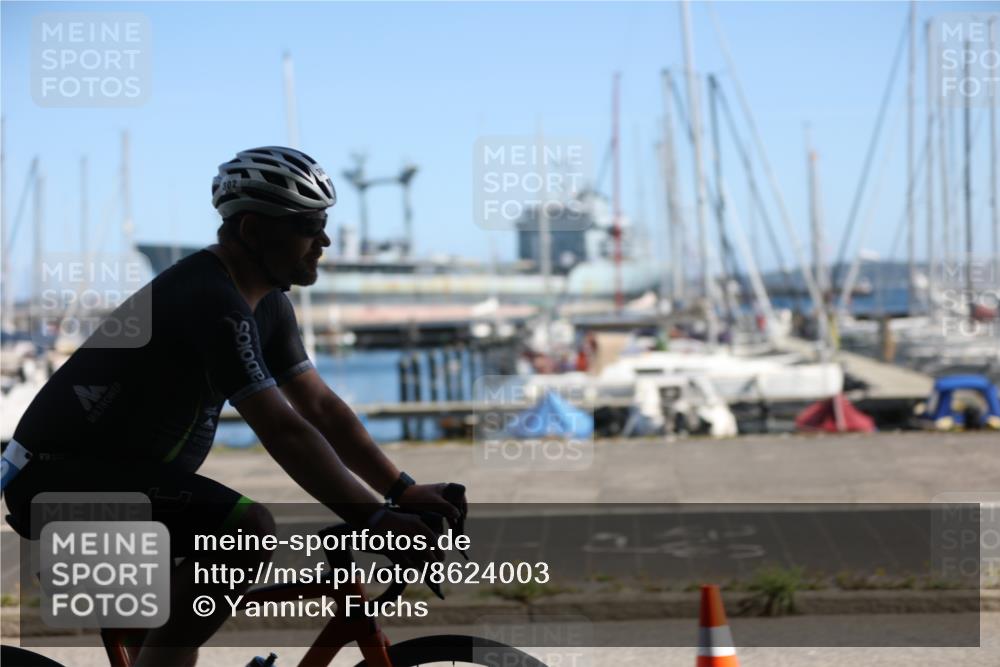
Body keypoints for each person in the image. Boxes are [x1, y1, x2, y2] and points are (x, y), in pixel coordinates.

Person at [3, 147, 466, 666]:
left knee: (175, 638)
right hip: (58, 481)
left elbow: (321, 407)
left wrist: (401, 489)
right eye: (309, 224)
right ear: (251, 230)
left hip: (120, 480)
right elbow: (283, 430)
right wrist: (376, 517)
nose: (325, 240)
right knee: (245, 528)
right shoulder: (209, 299)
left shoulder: (268, 304)